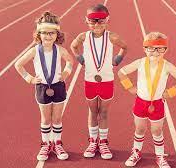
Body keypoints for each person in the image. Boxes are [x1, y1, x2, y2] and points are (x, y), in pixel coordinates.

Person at [118, 32, 176, 167]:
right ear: (145, 49)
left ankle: (160, 156)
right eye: (151, 48)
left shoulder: (167, 66)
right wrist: (130, 87)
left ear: (165, 50)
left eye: (159, 49)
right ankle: (136, 152)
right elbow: (121, 72)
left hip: (157, 104)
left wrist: (171, 92)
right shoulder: (140, 63)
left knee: (157, 130)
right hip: (140, 102)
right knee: (139, 129)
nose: (155, 52)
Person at [70, 4, 127, 159]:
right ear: (86, 21)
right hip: (90, 80)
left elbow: (124, 46)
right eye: (92, 21)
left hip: (107, 80)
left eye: (101, 21)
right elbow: (73, 46)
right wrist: (80, 58)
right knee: (92, 111)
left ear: (107, 20)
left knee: (104, 112)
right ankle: (93, 141)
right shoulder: (83, 37)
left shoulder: (112, 36)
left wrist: (117, 59)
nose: (96, 25)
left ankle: (103, 142)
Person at [14, 11, 73, 161]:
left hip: (58, 87)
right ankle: (46, 144)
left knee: (57, 118)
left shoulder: (60, 50)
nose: (48, 36)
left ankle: (57, 143)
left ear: (57, 34)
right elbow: (18, 64)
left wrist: (66, 73)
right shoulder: (34, 51)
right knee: (46, 119)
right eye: (45, 33)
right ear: (39, 34)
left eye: (52, 33)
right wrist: (29, 78)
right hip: (42, 88)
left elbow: (70, 61)